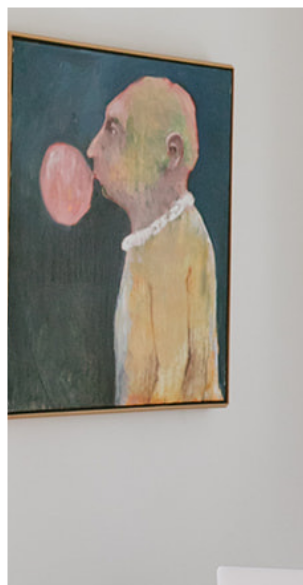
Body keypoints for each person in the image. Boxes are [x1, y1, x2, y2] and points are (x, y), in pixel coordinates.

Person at [87, 76, 223, 406]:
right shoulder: (158, 240)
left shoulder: (176, 247)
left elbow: (166, 394)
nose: (92, 149)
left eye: (113, 129)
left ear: (170, 153)